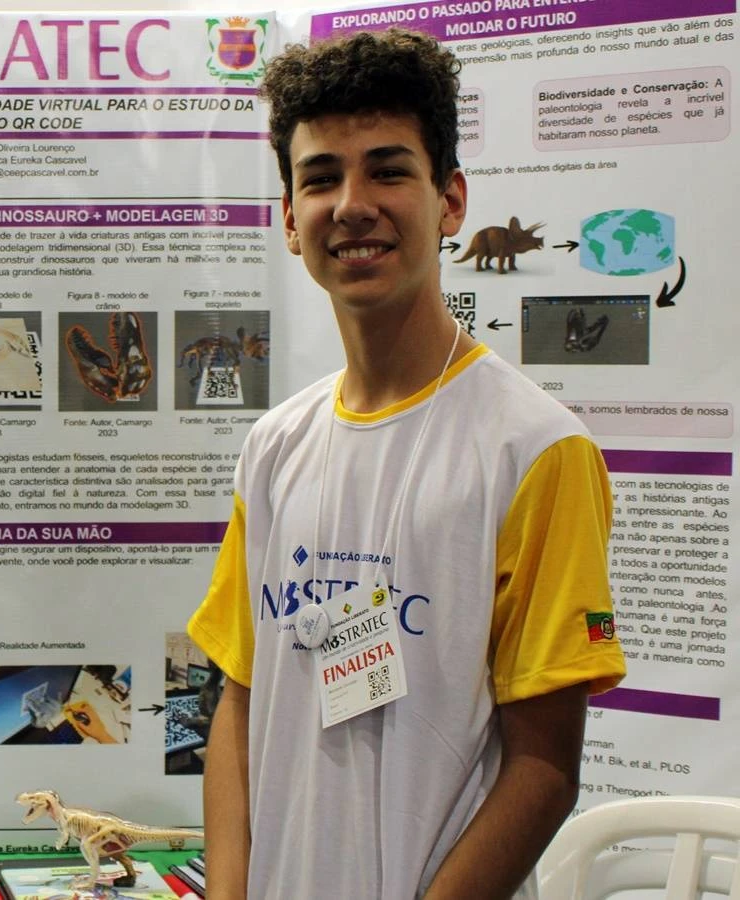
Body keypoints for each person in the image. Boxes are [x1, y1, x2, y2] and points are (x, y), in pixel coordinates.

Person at [186, 28, 626, 899]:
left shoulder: (536, 448)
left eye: (387, 170)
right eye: (321, 178)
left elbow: (544, 769)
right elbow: (238, 699)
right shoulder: (275, 445)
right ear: (289, 219)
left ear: (449, 200)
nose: (353, 205)